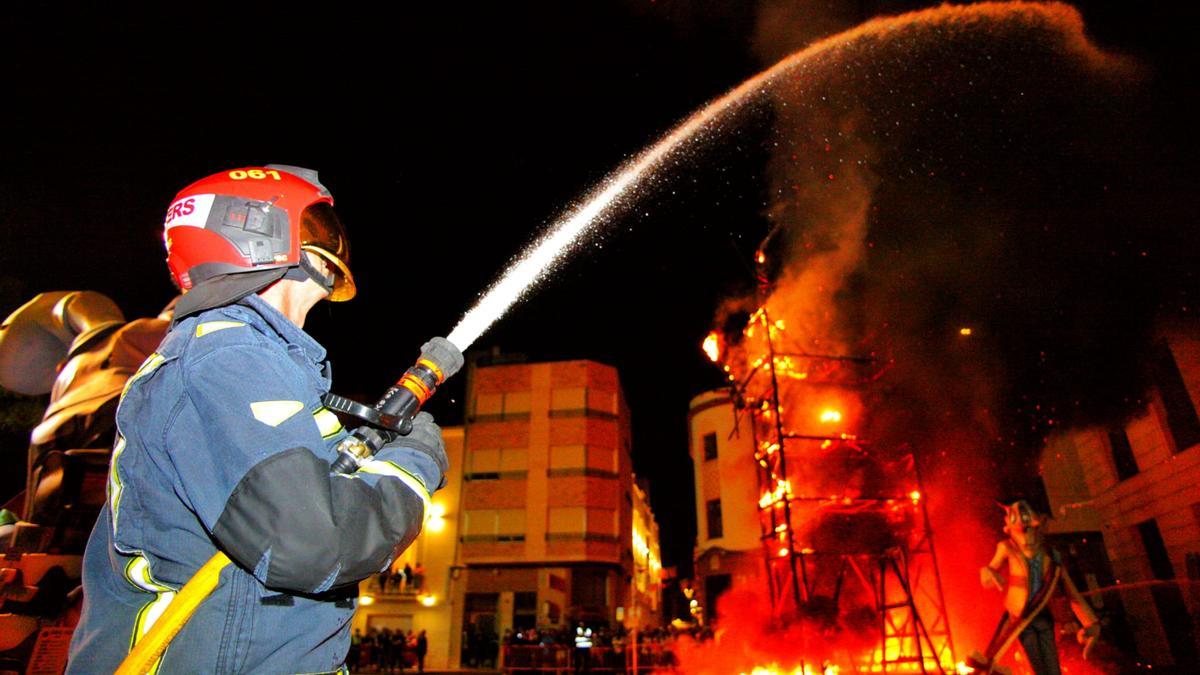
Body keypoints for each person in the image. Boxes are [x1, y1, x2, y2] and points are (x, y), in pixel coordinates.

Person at [65, 165, 461, 673]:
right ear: (257, 233)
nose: (332, 247)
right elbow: (311, 545)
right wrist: (414, 460)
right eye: (316, 227)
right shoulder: (227, 357)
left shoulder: (256, 362)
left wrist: (364, 451)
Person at [969, 499, 1101, 675]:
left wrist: (1091, 623)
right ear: (1008, 524)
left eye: (1027, 516)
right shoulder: (1007, 548)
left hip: (1044, 618)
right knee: (1033, 664)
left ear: (1040, 521)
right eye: (1017, 517)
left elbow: (1072, 593)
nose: (1025, 526)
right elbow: (989, 571)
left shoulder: (1053, 557)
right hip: (1019, 617)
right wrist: (987, 574)